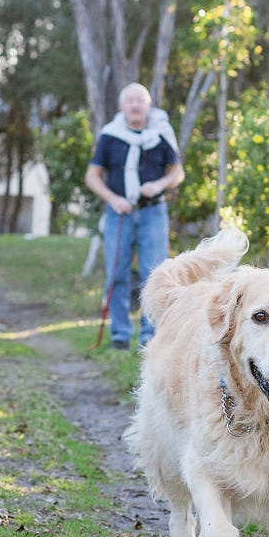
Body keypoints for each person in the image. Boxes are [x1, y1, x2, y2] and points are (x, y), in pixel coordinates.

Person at [85, 83, 185, 350]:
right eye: (129, 100)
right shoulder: (110, 136)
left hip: (153, 212)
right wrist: (114, 199)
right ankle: (119, 334)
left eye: (140, 100)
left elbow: (177, 172)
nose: (135, 105)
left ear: (148, 105)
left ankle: (150, 336)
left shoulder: (161, 134)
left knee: (154, 275)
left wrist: (159, 185)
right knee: (116, 273)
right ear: (122, 106)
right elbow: (92, 176)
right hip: (120, 214)